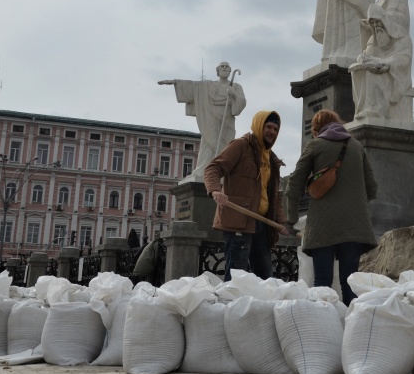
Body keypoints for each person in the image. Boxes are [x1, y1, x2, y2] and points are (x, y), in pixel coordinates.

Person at [284, 109, 377, 305]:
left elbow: (294, 185)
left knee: (323, 283)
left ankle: (323, 329)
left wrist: (291, 220)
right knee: (350, 283)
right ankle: (352, 328)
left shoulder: (315, 145)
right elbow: (372, 188)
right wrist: (354, 204)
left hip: (322, 227)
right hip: (354, 226)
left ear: (317, 129)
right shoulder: (357, 147)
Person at [204, 111, 288, 281]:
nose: (272, 132)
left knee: (265, 278)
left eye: (276, 129)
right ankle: (230, 306)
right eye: (269, 127)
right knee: (237, 277)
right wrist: (215, 190)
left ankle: (258, 308)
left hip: (262, 224)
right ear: (259, 125)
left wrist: (281, 223)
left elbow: (273, 196)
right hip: (239, 222)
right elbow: (213, 168)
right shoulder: (241, 146)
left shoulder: (272, 159)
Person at [158, 61, 247, 182]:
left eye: (227, 67)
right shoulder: (209, 85)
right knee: (207, 145)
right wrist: (175, 82)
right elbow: (194, 87)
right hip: (209, 119)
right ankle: (202, 171)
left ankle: (221, 173)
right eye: (222, 66)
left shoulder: (235, 87)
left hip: (226, 122)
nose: (224, 68)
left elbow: (240, 104)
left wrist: (234, 95)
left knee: (225, 148)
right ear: (218, 71)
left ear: (230, 71)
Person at [349, 0, 413, 121]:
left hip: (394, 75)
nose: (377, 26)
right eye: (373, 23)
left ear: (385, 21)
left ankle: (376, 111)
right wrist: (363, 58)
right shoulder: (374, 39)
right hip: (380, 68)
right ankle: (362, 110)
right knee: (358, 71)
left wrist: (387, 64)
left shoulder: (401, 37)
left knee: (372, 72)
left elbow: (404, 59)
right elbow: (368, 54)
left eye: (378, 21)